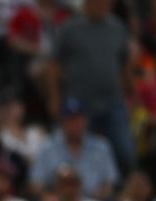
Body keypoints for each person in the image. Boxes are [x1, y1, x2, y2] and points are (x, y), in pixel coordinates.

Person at [48, 0, 135, 172]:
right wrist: (54, 98)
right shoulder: (70, 28)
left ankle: (119, 191)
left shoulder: (117, 27)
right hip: (79, 104)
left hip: (112, 101)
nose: (103, 5)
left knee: (126, 152)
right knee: (78, 154)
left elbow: (125, 62)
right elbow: (53, 65)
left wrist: (129, 95)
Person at [30, 97, 120, 201]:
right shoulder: (47, 147)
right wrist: (51, 198)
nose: (75, 125)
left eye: (78, 119)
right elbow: (35, 184)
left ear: (86, 120)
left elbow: (110, 183)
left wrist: (100, 195)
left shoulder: (101, 146)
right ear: (62, 122)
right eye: (70, 120)